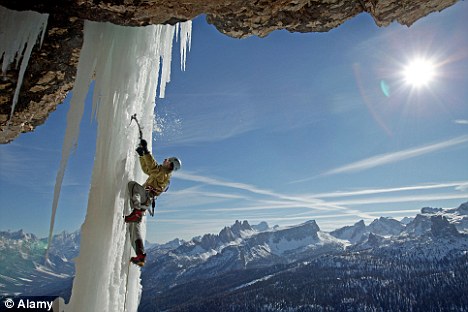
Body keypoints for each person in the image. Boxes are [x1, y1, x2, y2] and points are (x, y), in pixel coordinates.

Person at [124, 139, 181, 266]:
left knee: (132, 185)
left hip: (145, 197)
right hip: (146, 201)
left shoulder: (164, 174)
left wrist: (146, 152)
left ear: (170, 165)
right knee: (135, 228)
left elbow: (153, 168)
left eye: (168, 160)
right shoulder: (162, 173)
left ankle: (137, 211)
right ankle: (140, 255)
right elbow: (148, 170)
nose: (165, 159)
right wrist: (141, 155)